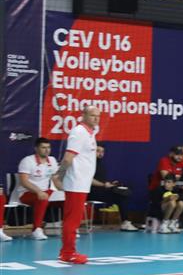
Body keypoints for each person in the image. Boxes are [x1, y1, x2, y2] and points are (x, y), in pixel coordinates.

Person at [50, 108, 99, 263]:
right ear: (83, 116)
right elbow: (68, 158)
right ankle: (67, 253)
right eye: (92, 115)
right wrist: (58, 176)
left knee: (73, 219)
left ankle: (66, 252)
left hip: (82, 182)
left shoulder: (90, 133)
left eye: (98, 116)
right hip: (76, 182)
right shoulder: (79, 132)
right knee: (72, 220)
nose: (96, 119)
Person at [17, 137, 60, 240]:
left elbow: (55, 180)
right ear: (36, 149)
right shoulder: (27, 161)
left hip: (46, 191)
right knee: (43, 198)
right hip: (26, 193)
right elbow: (24, 182)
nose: (47, 150)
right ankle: (36, 229)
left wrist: (64, 190)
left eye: (48, 147)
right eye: (43, 147)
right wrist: (38, 191)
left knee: (68, 198)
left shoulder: (52, 160)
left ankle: (70, 228)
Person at [88, 144, 137, 231]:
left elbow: (102, 181)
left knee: (123, 194)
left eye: (102, 152)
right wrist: (104, 185)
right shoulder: (88, 164)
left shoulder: (101, 165)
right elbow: (89, 179)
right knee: (121, 195)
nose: (100, 153)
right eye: (98, 151)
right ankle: (125, 222)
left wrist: (111, 183)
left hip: (102, 191)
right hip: (90, 193)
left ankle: (125, 222)